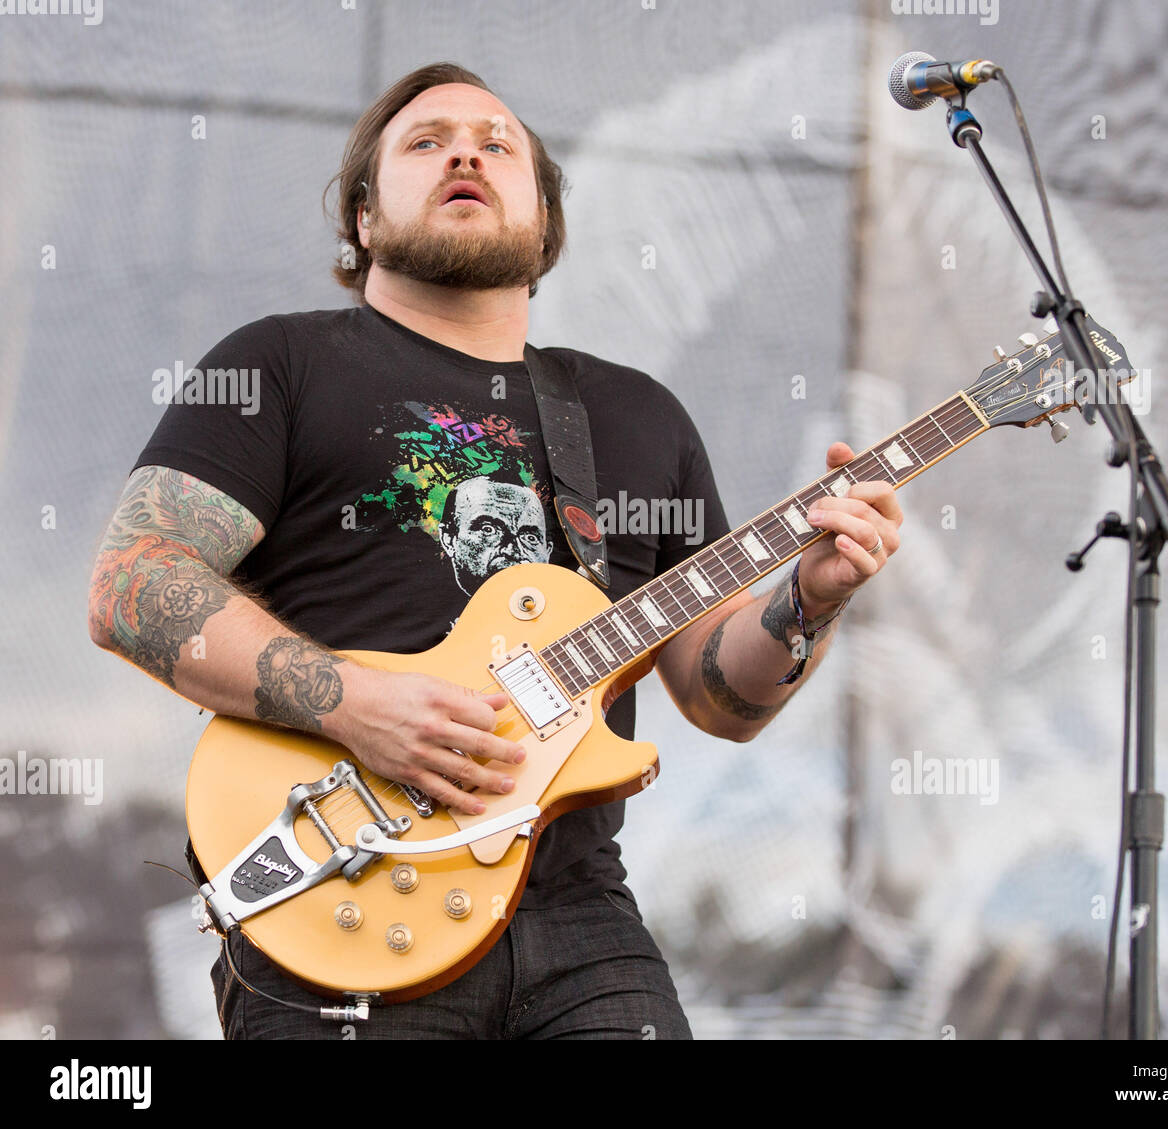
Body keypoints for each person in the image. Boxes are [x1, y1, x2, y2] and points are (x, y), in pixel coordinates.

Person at [86, 63, 903, 1040]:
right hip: (344, 878)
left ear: (544, 224)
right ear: (362, 220)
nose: (466, 151)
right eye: (425, 142)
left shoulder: (636, 415)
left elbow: (716, 696)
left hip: (580, 916)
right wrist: (357, 704)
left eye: (497, 141)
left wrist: (809, 597)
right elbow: (132, 583)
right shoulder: (281, 363)